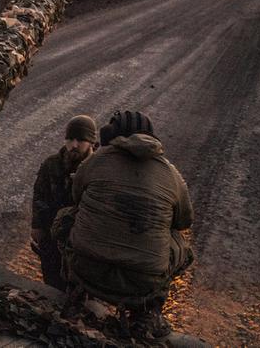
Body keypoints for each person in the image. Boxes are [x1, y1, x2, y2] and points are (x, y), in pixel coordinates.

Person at [64, 110, 193, 339]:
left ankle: (75, 292)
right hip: (140, 284)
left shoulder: (96, 160)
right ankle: (147, 312)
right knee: (181, 244)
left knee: (66, 217)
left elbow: (76, 197)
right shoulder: (171, 174)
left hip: (88, 270)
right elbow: (184, 221)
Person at [31, 115, 97, 291]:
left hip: (82, 241)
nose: (74, 145)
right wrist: (37, 226)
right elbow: (39, 194)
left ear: (91, 142)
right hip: (52, 235)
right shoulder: (51, 164)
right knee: (52, 282)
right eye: (70, 139)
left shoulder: (98, 169)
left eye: (81, 140)